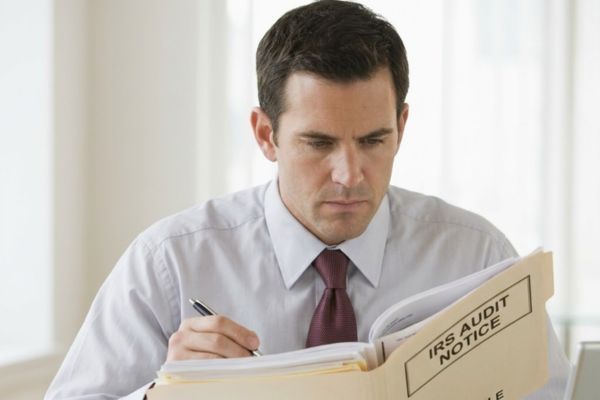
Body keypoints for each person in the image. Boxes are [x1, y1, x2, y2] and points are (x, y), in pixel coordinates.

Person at [45, 1, 570, 399]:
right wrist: (164, 394)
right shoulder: (170, 263)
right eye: (319, 143)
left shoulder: (476, 256)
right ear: (265, 134)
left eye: (373, 140)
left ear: (402, 126)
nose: (349, 175)